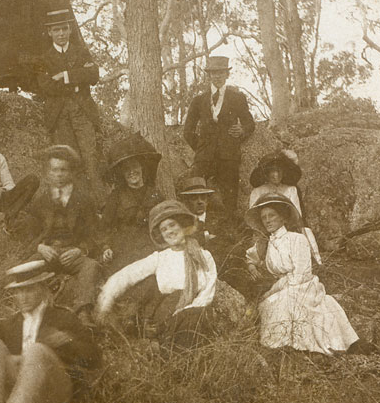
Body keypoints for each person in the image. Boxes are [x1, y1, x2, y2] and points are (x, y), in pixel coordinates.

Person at [244, 193, 363, 355]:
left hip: (304, 286)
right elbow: (250, 256)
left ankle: (292, 344)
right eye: (263, 217)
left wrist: (274, 290)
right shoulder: (265, 244)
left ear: (283, 217)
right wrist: (252, 266)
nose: (267, 220)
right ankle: (280, 345)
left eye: (271, 215)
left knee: (280, 301)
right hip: (283, 286)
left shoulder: (297, 239)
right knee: (267, 304)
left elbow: (301, 274)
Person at [0, 262, 100, 403]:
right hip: (16, 387)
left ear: (42, 289)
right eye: (19, 291)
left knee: (36, 350)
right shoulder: (9, 324)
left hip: (52, 391)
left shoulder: (63, 317)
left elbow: (95, 358)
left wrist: (68, 341)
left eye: (29, 290)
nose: (23, 297)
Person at [95, 200, 217, 349]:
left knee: (194, 322)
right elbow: (127, 275)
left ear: (182, 226)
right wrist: (106, 300)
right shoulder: (160, 257)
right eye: (164, 229)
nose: (169, 231)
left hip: (194, 312)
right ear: (162, 235)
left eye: (172, 225)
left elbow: (208, 291)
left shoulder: (204, 256)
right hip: (165, 313)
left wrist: (185, 312)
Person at [26, 145, 102, 319]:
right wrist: (39, 248)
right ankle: (37, 310)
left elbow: (94, 234)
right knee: (22, 271)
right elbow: (29, 234)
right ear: (47, 173)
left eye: (63, 170)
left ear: (71, 173)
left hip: (73, 253)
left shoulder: (84, 200)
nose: (59, 175)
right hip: (48, 253)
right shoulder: (39, 201)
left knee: (91, 267)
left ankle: (83, 311)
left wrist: (80, 250)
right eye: (54, 170)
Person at [36, 10, 103, 187]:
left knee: (90, 157)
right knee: (67, 158)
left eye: (64, 29)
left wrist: (65, 75)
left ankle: (99, 206)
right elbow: (46, 87)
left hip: (82, 110)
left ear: (70, 30)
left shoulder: (81, 52)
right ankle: (70, 205)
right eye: (56, 30)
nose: (61, 34)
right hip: (59, 114)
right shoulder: (44, 58)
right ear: (49, 32)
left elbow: (93, 75)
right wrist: (77, 80)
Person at [182, 55, 256, 213]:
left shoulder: (237, 98)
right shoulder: (198, 100)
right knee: (195, 192)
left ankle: (230, 233)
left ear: (227, 75)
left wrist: (242, 131)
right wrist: (202, 147)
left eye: (221, 72)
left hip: (228, 156)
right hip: (204, 158)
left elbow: (250, 123)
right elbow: (188, 131)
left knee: (230, 197)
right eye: (213, 73)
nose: (217, 76)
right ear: (209, 75)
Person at [99, 135, 163, 273]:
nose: (132, 172)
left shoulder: (155, 194)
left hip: (151, 246)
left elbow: (166, 220)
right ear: (122, 173)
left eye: (134, 166)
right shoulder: (116, 196)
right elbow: (105, 226)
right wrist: (106, 247)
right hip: (124, 248)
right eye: (126, 169)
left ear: (142, 168)